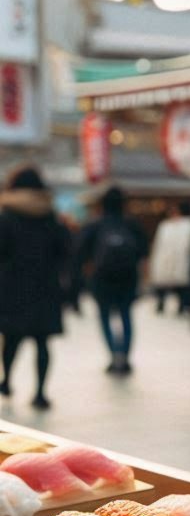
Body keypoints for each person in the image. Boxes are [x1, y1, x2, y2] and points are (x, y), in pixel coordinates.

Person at [0, 166, 71, 409]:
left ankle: (7, 380)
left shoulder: (6, 214)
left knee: (11, 340)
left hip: (12, 287)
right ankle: (40, 393)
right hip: (45, 287)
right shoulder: (50, 216)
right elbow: (65, 251)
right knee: (42, 343)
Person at [77, 186, 148, 375]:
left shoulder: (94, 224)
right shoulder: (132, 224)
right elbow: (143, 251)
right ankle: (124, 355)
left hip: (102, 278)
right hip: (128, 277)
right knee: (126, 316)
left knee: (105, 317)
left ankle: (113, 354)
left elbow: (81, 252)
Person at [149, 200, 190, 314]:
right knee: (162, 284)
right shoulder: (165, 225)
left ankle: (183, 306)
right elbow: (159, 243)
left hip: (182, 258)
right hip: (165, 257)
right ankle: (161, 304)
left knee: (183, 285)